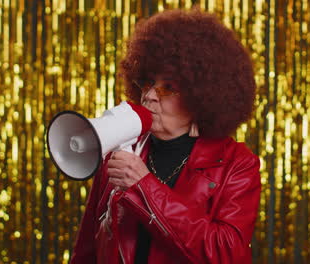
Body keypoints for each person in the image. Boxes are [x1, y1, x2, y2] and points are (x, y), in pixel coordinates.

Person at [70, 8, 261, 264]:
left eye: (168, 87)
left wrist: (143, 185)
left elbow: (226, 252)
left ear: (201, 95)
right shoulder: (118, 154)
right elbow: (86, 252)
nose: (149, 95)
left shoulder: (237, 164)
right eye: (148, 83)